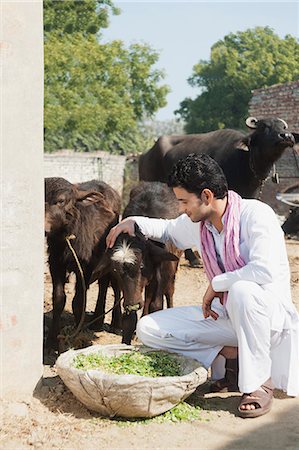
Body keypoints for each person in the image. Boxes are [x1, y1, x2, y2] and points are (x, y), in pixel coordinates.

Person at [106, 154, 299, 418]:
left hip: (268, 319)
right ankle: (231, 353)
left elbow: (263, 270)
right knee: (149, 328)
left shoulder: (256, 215)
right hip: (227, 315)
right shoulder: (202, 224)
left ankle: (258, 384)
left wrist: (218, 283)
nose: (182, 208)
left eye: (184, 201)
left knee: (243, 290)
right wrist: (133, 222)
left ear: (206, 196)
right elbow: (169, 230)